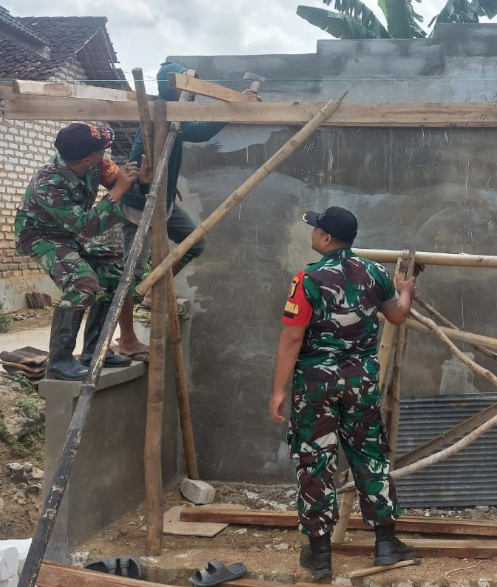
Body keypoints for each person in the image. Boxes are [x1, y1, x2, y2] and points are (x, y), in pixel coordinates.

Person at [269, 207, 418, 579]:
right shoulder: (375, 273)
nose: (314, 233)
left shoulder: (307, 279)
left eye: (316, 228)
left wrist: (278, 390)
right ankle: (385, 544)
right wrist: (406, 291)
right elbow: (397, 316)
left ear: (326, 239)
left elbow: (292, 337)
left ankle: (320, 555)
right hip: (361, 382)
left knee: (316, 460)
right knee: (370, 455)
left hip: (316, 384)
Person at [116, 61, 255, 357]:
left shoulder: (172, 115)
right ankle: (126, 339)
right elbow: (139, 160)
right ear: (173, 85)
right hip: (140, 207)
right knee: (129, 274)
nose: (189, 93)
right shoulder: (158, 115)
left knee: (194, 242)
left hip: (163, 201)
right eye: (186, 86)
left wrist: (167, 184)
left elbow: (185, 140)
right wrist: (146, 184)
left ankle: (154, 291)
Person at [15, 123, 148, 380]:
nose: (106, 154)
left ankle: (94, 351)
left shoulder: (94, 164)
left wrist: (137, 181)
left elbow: (117, 179)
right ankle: (60, 361)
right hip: (42, 235)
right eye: (103, 150)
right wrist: (119, 190)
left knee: (114, 272)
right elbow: (87, 227)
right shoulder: (48, 183)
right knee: (82, 284)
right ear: (89, 156)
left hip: (71, 231)